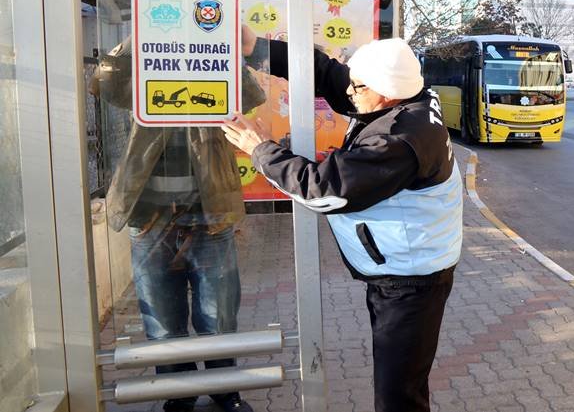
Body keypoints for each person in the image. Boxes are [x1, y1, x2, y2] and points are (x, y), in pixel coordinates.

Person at [221, 32, 463, 412]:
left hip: (411, 282)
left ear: (386, 92)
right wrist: (258, 48)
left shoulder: (400, 139)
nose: (348, 93)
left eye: (359, 86)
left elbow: (324, 190)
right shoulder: (405, 94)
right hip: (400, 269)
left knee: (399, 394)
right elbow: (329, 74)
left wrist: (261, 150)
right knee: (399, 382)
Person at [91, 38, 265, 412]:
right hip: (151, 219)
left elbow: (252, 95)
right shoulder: (143, 70)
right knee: (163, 319)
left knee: (218, 315)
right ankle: (180, 393)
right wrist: (135, 39)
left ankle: (225, 390)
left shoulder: (214, 72)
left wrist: (224, 51)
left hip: (209, 216)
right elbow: (102, 83)